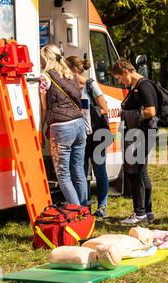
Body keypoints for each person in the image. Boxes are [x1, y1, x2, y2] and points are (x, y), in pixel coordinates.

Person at [39, 44, 88, 205]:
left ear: (46, 58)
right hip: (79, 124)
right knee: (78, 170)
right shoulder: (70, 74)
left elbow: (44, 107)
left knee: (63, 175)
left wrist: (42, 128)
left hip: (61, 128)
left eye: (41, 57)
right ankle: (84, 210)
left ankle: (77, 213)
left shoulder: (45, 77)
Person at [111, 58, 157, 225]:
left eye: (119, 78)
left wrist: (125, 115)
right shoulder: (135, 86)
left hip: (142, 134)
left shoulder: (143, 86)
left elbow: (151, 112)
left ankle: (140, 213)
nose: (120, 81)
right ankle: (147, 212)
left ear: (126, 72)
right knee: (141, 171)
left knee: (135, 173)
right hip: (138, 133)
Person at [66, 56, 110, 218]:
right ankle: (84, 205)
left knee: (99, 170)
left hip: (98, 133)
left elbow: (104, 108)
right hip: (81, 135)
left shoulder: (91, 85)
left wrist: (89, 113)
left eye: (66, 68)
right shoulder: (69, 86)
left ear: (74, 69)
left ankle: (102, 206)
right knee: (81, 172)